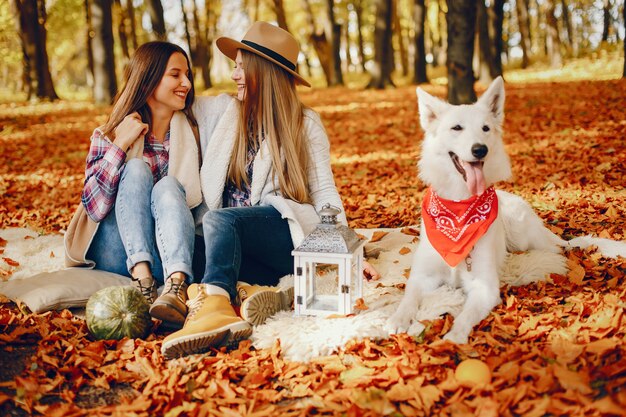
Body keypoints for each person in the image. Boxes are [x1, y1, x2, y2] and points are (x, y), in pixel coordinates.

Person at [162, 22, 379, 358]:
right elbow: (177, 99)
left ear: (264, 72)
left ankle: (215, 307)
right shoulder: (224, 111)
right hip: (239, 245)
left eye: (241, 67)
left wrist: (348, 252)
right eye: (234, 66)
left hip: (281, 233)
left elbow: (324, 191)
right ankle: (257, 293)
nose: (234, 75)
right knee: (194, 250)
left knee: (222, 222)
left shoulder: (304, 124)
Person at [64, 41, 202, 328]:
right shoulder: (110, 133)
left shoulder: (194, 135)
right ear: (149, 79)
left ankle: (175, 289)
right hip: (117, 251)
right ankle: (143, 282)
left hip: (170, 252)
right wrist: (121, 145)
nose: (186, 83)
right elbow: (95, 207)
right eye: (175, 75)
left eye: (187, 74)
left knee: (167, 186)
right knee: (136, 168)